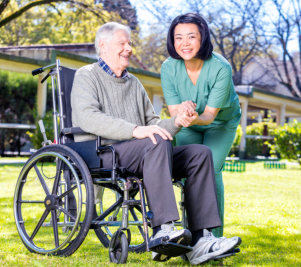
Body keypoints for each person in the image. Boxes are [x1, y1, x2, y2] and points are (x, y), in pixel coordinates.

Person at [70, 22, 241, 265]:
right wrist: (135, 130)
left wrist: (179, 121)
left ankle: (201, 239)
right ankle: (163, 229)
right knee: (155, 142)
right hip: (103, 151)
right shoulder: (87, 75)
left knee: (200, 154)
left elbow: (153, 123)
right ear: (103, 46)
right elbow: (88, 117)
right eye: (122, 43)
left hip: (143, 151)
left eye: (129, 43)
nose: (129, 48)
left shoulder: (134, 83)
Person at [161, 13, 241, 237]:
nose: (184, 43)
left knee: (211, 169)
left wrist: (192, 116)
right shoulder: (168, 68)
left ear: (203, 37)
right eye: (178, 38)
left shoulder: (220, 68)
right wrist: (184, 115)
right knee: (189, 172)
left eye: (191, 37)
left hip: (220, 123)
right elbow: (175, 113)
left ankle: (213, 238)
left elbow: (208, 116)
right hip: (190, 125)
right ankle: (193, 235)